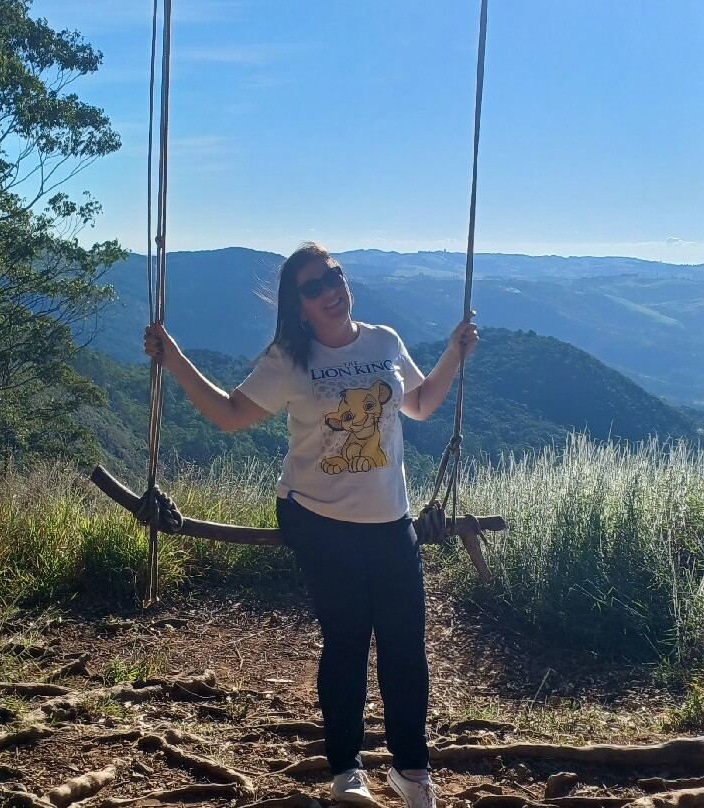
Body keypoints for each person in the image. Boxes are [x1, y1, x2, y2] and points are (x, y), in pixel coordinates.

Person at [144, 242, 478, 808]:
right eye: (314, 285)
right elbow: (229, 414)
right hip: (319, 519)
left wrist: (452, 354)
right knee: (346, 642)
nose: (330, 290)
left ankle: (412, 772)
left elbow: (419, 404)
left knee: (405, 648)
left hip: (389, 519)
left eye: (334, 276)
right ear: (298, 305)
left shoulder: (385, 341)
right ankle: (347, 771)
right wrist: (173, 357)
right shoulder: (289, 359)